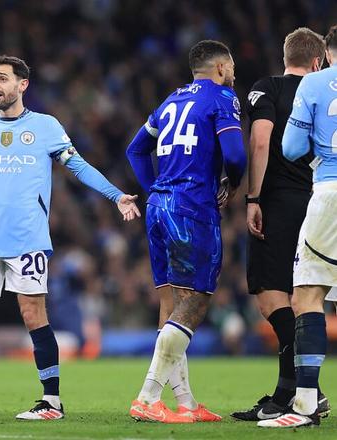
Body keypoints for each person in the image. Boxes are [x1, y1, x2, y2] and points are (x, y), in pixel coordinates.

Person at [0, 55, 140, 421]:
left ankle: (51, 401)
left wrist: (116, 195)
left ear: (22, 84)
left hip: (27, 239)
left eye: (3, 79)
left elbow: (78, 165)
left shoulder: (45, 126)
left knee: (33, 314)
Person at [126, 40, 246, 423]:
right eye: (231, 66)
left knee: (173, 304)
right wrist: (232, 182)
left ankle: (187, 403)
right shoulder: (222, 98)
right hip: (192, 207)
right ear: (221, 67)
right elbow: (236, 155)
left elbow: (135, 150)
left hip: (159, 206)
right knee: (196, 301)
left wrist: (156, 189)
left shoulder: (170, 101)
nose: (233, 73)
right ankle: (148, 397)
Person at [231, 27, 330, 422]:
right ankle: (293, 391)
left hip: (281, 202)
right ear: (318, 61)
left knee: (272, 297)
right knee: (307, 295)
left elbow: (260, 140)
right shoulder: (325, 91)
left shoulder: (267, 88)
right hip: (319, 200)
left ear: (285, 56)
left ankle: (301, 391)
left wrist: (253, 198)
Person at [259, 24, 337, 429]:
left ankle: (305, 403)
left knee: (307, 294)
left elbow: (290, 148)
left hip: (329, 192)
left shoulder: (314, 83)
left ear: (325, 55)